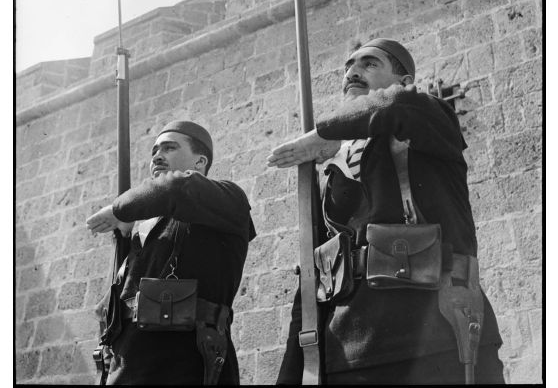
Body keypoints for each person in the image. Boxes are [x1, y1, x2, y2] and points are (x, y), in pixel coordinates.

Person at [267, 38, 504, 385]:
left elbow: (399, 105)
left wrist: (321, 134)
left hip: (435, 340)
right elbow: (311, 279)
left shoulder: (428, 116)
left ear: (404, 80)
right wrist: (293, 374)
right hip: (346, 354)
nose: (352, 72)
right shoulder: (328, 170)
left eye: (369, 63)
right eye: (349, 66)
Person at [86, 120, 256, 385]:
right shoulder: (141, 229)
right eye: (154, 150)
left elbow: (178, 189)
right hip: (127, 371)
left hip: (187, 366)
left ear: (200, 162)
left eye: (169, 148)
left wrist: (119, 209)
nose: (157, 155)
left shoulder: (228, 200)